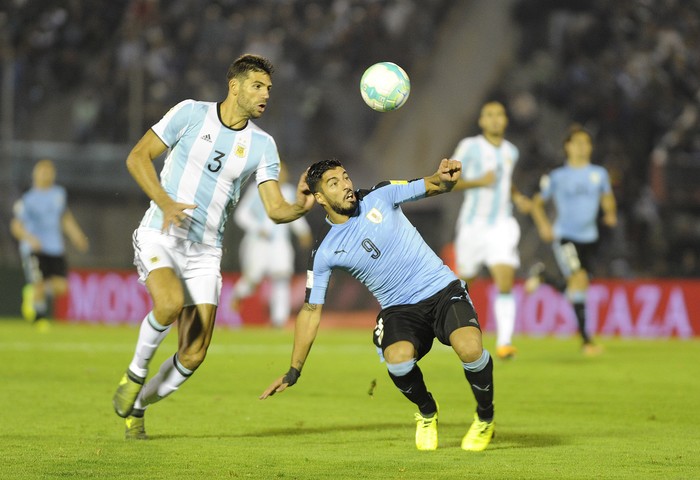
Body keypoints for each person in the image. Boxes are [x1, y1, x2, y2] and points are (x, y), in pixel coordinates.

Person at [111, 54, 314, 440]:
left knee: (193, 354)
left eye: (269, 88)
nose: (265, 94)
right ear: (234, 86)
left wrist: (300, 206)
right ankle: (135, 374)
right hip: (162, 234)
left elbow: (274, 209)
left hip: (205, 251)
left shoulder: (263, 145)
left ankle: (138, 406)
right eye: (258, 86)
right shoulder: (189, 113)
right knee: (168, 304)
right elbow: (137, 157)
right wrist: (165, 202)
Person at [261, 158, 497, 452]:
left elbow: (435, 184)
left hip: (441, 289)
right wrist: (294, 370)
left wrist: (445, 178)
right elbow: (310, 311)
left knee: (471, 348)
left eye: (345, 177)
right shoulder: (325, 250)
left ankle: (485, 417)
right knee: (398, 360)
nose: (346, 185)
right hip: (399, 308)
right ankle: (426, 411)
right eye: (334, 183)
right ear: (319, 197)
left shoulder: (380, 195)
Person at [449, 101, 531, 360]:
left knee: (504, 279)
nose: (495, 119)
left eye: (500, 115)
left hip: (501, 224)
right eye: (489, 115)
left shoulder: (511, 151)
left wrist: (517, 196)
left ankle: (505, 343)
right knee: (464, 284)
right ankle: (449, 328)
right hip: (473, 225)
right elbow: (448, 181)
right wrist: (478, 182)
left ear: (505, 120)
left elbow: (505, 179)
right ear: (482, 121)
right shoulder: (470, 146)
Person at [527, 124, 617, 355]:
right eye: (576, 143)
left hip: (590, 238)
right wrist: (544, 225)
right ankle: (587, 342)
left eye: (585, 143)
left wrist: (610, 212)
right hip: (566, 236)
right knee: (577, 281)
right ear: (567, 146)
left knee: (578, 287)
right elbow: (536, 203)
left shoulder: (599, 174)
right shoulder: (557, 177)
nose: (581, 147)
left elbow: (607, 197)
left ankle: (544, 276)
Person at [230, 162, 313, 328]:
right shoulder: (258, 189)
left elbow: (294, 213)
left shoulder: (289, 191)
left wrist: (303, 232)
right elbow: (241, 215)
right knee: (253, 278)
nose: (282, 175)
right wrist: (257, 228)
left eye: (284, 171)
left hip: (280, 243)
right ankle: (238, 295)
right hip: (259, 242)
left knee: (281, 278)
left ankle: (278, 321)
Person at [10, 159, 89, 329]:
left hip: (55, 247)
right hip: (35, 248)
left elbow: (65, 218)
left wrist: (77, 236)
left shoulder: (59, 194)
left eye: (49, 171)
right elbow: (16, 226)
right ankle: (39, 318)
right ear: (35, 174)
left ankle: (32, 293)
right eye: (42, 171)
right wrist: (30, 239)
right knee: (38, 282)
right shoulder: (28, 199)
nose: (46, 174)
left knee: (62, 287)